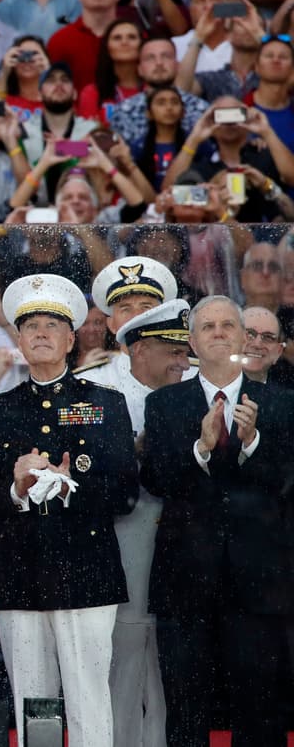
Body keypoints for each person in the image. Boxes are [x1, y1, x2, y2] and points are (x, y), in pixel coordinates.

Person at [0, 273, 137, 747]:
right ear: (17, 339)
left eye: (51, 325)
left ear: (70, 338)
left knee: (88, 695)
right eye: (31, 326)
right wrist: (16, 489)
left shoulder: (104, 403)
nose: (40, 333)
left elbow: (124, 492)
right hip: (20, 572)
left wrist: (67, 490)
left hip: (86, 569)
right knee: (33, 702)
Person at [141, 295, 294, 747]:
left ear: (244, 338)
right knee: (186, 707)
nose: (219, 333)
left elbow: (287, 481)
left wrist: (252, 444)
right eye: (207, 327)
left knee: (260, 706)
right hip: (186, 578)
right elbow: (156, 480)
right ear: (191, 342)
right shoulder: (165, 405)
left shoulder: (282, 404)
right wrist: (201, 451)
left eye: (228, 325)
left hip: (259, 580)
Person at [76, 272, 190, 747]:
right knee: (124, 648)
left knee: (175, 653)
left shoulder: (195, 377)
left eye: (148, 305)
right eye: (129, 307)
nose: (182, 360)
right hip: (126, 530)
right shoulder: (92, 384)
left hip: (186, 534)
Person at [240, 306, 284, 384]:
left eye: (268, 337)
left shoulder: (287, 396)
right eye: (249, 334)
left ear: (278, 352)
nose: (257, 344)